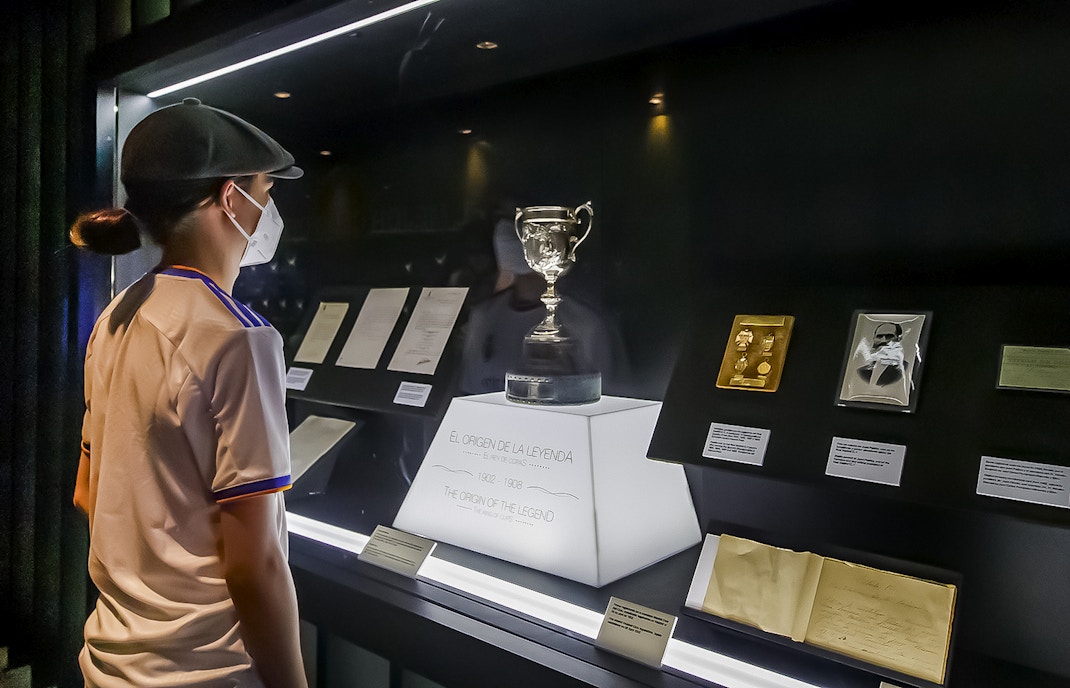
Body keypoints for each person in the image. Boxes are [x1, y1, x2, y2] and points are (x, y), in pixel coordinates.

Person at [70, 98, 308, 688]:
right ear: (232, 198)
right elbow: (255, 565)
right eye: (266, 191)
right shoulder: (238, 339)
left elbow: (85, 492)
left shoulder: (116, 317)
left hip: (109, 663)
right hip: (206, 675)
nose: (269, 208)